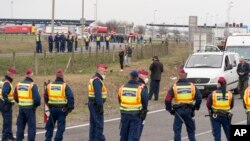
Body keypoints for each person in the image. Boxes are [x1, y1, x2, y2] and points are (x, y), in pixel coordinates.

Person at [165, 68, 202, 141]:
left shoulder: (175, 86)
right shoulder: (192, 86)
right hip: (189, 110)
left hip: (178, 111)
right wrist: (196, 107)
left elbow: (167, 99)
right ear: (186, 76)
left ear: (179, 76)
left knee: (177, 131)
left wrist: (170, 110)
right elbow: (199, 97)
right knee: (191, 131)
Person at [44, 68, 75, 141]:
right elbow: (70, 97)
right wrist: (69, 108)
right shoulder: (65, 86)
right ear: (62, 76)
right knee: (60, 127)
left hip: (52, 109)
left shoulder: (49, 85)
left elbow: (45, 97)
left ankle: (48, 139)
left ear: (56, 76)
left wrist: (49, 104)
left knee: (50, 126)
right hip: (62, 110)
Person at [118, 70, 148, 141]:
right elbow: (145, 102)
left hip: (124, 114)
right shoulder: (140, 88)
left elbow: (120, 100)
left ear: (130, 77)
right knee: (133, 136)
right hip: (136, 115)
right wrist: (144, 112)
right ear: (137, 78)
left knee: (124, 135)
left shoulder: (122, 87)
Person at [14, 68, 41, 141]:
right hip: (30, 109)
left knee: (20, 127)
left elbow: (15, 97)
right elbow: (37, 100)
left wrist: (21, 102)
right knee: (31, 127)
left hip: (21, 108)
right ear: (31, 75)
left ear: (26, 75)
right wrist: (35, 106)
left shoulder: (18, 84)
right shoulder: (32, 85)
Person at [206, 77, 234, 141]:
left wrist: (214, 109)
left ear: (219, 84)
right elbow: (231, 106)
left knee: (217, 135)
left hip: (215, 116)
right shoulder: (230, 94)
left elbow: (208, 105)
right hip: (226, 116)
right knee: (228, 134)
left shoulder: (212, 94)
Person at [88, 64, 108, 141]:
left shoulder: (93, 79)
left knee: (93, 124)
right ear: (99, 70)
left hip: (92, 103)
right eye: (104, 71)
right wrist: (100, 107)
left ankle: (92, 139)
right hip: (96, 105)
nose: (105, 72)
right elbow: (98, 95)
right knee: (99, 124)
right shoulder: (97, 80)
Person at [0, 67, 17, 141]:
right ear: (11, 74)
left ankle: (10, 135)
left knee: (7, 121)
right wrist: (8, 102)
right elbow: (4, 93)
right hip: (5, 105)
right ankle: (5, 138)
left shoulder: (3, 81)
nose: (15, 76)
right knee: (8, 122)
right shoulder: (7, 83)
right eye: (14, 74)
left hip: (1, 103)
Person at [137, 69, 149, 140]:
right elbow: (145, 101)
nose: (147, 78)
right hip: (139, 112)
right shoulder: (142, 87)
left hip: (126, 112)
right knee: (137, 132)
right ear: (141, 76)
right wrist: (144, 110)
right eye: (146, 76)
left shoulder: (130, 85)